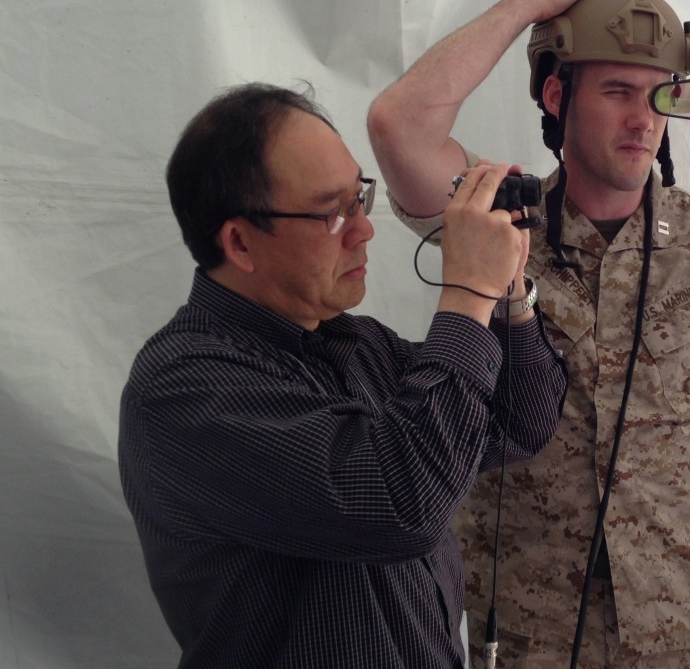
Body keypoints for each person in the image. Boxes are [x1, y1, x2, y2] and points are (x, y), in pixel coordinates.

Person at [367, 0, 690, 668]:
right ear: (558, 95)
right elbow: (398, 124)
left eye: (658, 96)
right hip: (532, 631)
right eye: (617, 92)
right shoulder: (494, 224)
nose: (643, 119)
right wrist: (531, 3)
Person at [118, 82, 567, 668]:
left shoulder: (353, 343)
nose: (365, 229)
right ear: (239, 243)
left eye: (360, 198)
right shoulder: (181, 388)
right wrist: (465, 292)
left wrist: (508, 295)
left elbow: (519, 421)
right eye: (333, 212)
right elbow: (402, 504)